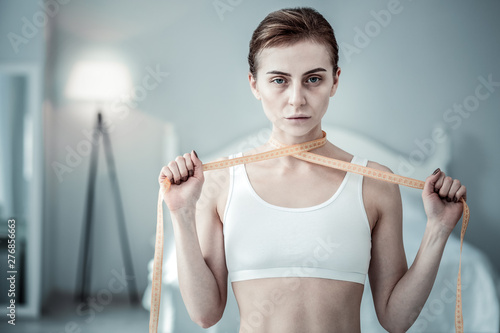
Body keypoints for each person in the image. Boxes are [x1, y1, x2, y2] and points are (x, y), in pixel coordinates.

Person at [158, 7, 467, 333]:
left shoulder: (374, 184)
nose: (296, 99)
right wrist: (181, 213)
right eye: (279, 80)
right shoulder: (221, 184)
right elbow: (205, 314)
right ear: (254, 85)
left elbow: (396, 319)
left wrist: (438, 228)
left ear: (335, 81)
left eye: (313, 79)